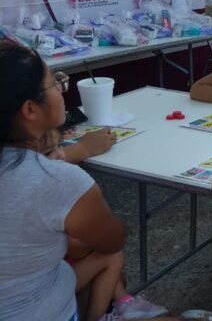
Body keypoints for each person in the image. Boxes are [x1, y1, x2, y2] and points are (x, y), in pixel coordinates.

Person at [0, 42, 127, 321]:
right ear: (30, 109)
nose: (60, 89)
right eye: (54, 83)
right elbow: (113, 239)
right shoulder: (57, 180)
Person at [39, 130, 168, 321]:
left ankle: (123, 302)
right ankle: (108, 311)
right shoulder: (47, 196)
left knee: (113, 270)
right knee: (111, 257)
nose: (61, 155)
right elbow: (77, 248)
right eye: (50, 152)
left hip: (58, 277)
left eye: (61, 146)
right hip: (50, 284)